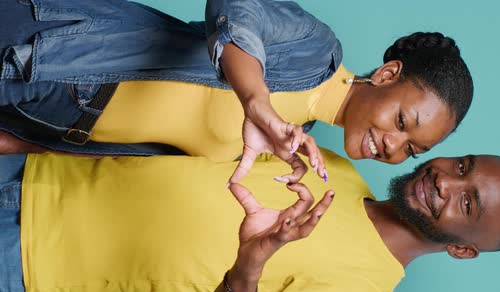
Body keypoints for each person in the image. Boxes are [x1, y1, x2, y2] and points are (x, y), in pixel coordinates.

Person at [0, 149, 500, 292]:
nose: (446, 180)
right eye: (463, 165)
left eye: (468, 202)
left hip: (33, 263)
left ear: (464, 249)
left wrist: (249, 265)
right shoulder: (340, 169)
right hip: (36, 169)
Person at [0, 0, 474, 184]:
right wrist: (256, 102)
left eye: (411, 149)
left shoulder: (290, 141)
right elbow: (236, 8)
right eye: (402, 123)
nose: (393, 145)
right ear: (389, 74)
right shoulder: (316, 51)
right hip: (50, 54)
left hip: (52, 123)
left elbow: (153, 152)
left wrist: (23, 146)